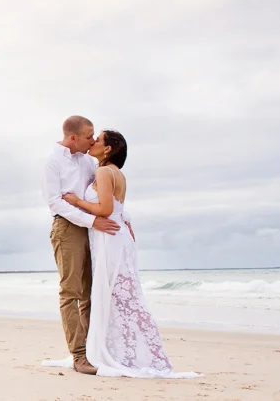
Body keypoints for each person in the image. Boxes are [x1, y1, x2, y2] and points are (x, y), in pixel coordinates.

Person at [61, 129, 199, 378]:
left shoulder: (104, 172)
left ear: (108, 149)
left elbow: (105, 209)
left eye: (98, 140)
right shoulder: (115, 172)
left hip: (108, 236)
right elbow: (117, 208)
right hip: (114, 234)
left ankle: (121, 353)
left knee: (115, 294)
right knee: (119, 295)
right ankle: (124, 350)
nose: (93, 142)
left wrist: (77, 201)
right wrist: (125, 219)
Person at [41, 116, 126, 375]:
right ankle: (78, 355)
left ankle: (92, 351)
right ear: (73, 137)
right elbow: (55, 202)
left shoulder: (89, 161)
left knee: (91, 292)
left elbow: (103, 195)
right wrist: (92, 220)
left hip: (93, 230)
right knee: (71, 293)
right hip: (68, 229)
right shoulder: (52, 162)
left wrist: (123, 219)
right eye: (89, 136)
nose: (92, 140)